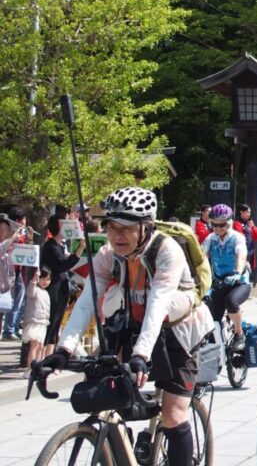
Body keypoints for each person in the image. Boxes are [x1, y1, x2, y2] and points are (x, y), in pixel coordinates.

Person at [40, 187, 213, 466]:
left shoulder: (167, 251)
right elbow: (86, 302)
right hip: (134, 326)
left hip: (178, 333)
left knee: (173, 414)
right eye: (112, 227)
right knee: (109, 397)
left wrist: (141, 356)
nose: (117, 235)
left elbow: (158, 305)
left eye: (127, 228)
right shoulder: (108, 254)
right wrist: (63, 349)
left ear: (146, 227)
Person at [201, 204, 250, 350]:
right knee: (211, 316)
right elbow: (200, 256)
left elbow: (241, 255)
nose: (217, 228)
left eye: (221, 225)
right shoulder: (211, 238)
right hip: (219, 283)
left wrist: (237, 273)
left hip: (239, 283)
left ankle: (239, 334)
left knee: (231, 301)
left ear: (229, 222)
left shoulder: (237, 238)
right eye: (214, 225)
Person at [41, 213, 86, 356]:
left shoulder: (58, 246)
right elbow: (63, 265)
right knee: (51, 323)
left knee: (56, 325)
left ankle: (49, 357)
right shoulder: (51, 247)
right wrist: (80, 249)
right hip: (54, 289)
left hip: (60, 288)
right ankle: (41, 358)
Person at [3, 206, 30, 340]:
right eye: (24, 219)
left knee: (20, 300)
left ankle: (13, 327)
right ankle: (8, 330)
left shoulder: (22, 232)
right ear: (19, 220)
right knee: (13, 300)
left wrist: (29, 238)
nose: (25, 222)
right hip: (9, 270)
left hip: (19, 269)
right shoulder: (8, 232)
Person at [22, 266, 51, 372]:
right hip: (34, 321)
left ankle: (37, 368)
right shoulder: (34, 289)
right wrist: (35, 277)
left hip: (43, 323)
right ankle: (30, 369)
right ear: (39, 278)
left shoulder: (46, 292)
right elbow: (30, 291)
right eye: (43, 279)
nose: (45, 282)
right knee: (34, 347)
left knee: (40, 347)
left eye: (48, 279)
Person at [233, 204, 257, 272]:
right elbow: (239, 238)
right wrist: (249, 228)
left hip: (250, 252)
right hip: (241, 252)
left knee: (247, 271)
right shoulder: (236, 224)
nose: (249, 214)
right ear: (241, 212)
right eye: (247, 212)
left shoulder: (249, 223)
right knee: (241, 270)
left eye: (249, 212)